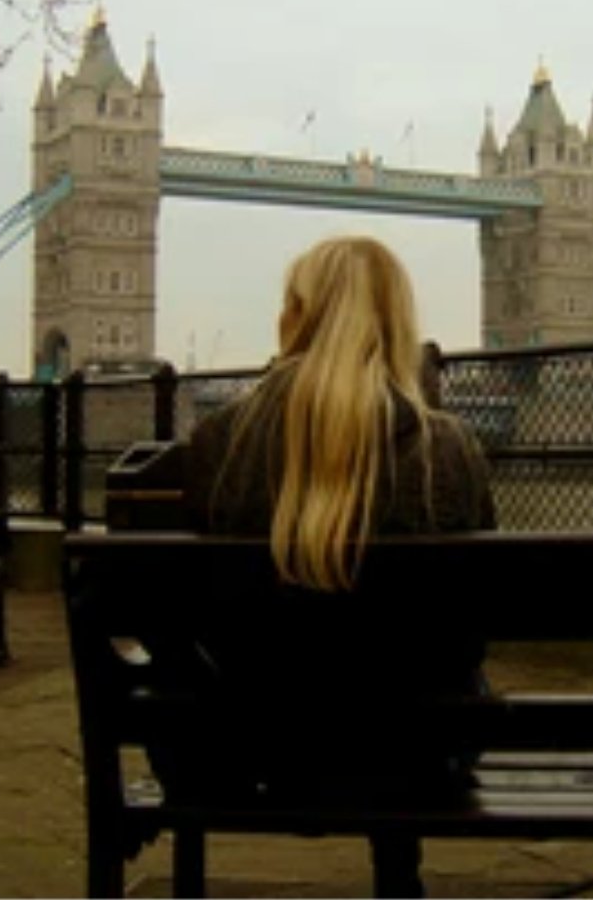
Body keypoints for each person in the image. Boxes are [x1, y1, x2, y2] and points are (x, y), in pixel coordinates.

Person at [165, 236, 497, 896]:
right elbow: (471, 626)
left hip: (256, 749)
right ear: (399, 322)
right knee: (423, 671)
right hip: (418, 753)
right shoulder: (449, 450)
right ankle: (396, 876)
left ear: (293, 314)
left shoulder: (216, 441)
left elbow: (196, 618)